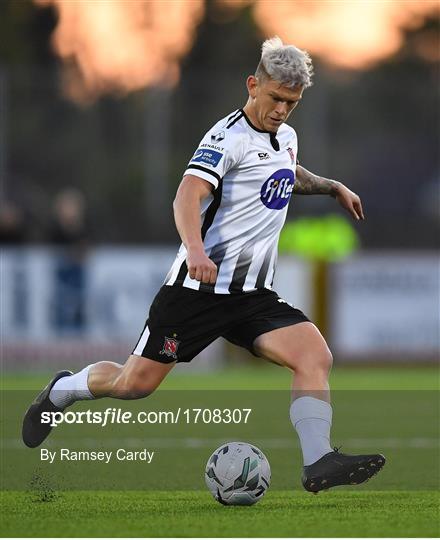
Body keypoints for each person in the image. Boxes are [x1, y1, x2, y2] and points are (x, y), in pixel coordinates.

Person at [23, 37, 385, 493]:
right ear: (253, 85)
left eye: (291, 103)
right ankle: (63, 390)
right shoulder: (225, 137)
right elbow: (187, 195)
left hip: (252, 296)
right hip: (196, 292)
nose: (281, 110)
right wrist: (194, 250)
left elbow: (285, 171)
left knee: (315, 356)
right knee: (132, 385)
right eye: (274, 98)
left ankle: (318, 463)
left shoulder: (286, 136)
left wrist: (332, 186)